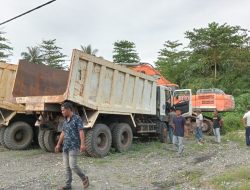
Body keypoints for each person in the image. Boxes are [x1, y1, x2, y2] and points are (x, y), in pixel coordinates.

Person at [55, 102, 89, 190]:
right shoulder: (65, 120)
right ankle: (68, 185)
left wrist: (82, 144)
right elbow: (63, 132)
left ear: (69, 109)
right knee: (67, 167)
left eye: (63, 110)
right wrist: (58, 144)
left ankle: (84, 178)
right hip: (65, 146)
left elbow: (81, 131)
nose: (62, 112)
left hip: (74, 146)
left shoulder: (77, 119)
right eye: (61, 110)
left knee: (73, 165)